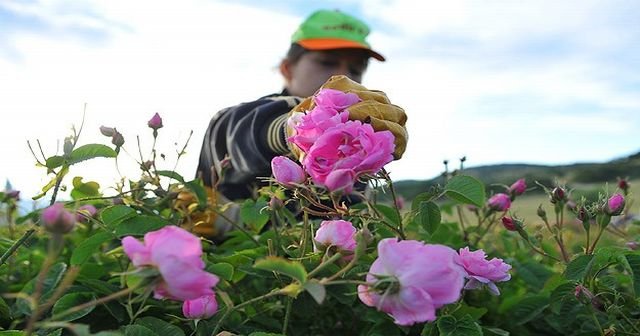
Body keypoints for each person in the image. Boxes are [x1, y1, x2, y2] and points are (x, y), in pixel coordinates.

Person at [193, 9, 407, 237]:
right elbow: (238, 132)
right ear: (288, 68)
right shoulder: (244, 118)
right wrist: (299, 127)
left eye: (355, 70)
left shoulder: (355, 141)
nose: (343, 76)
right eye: (327, 62)